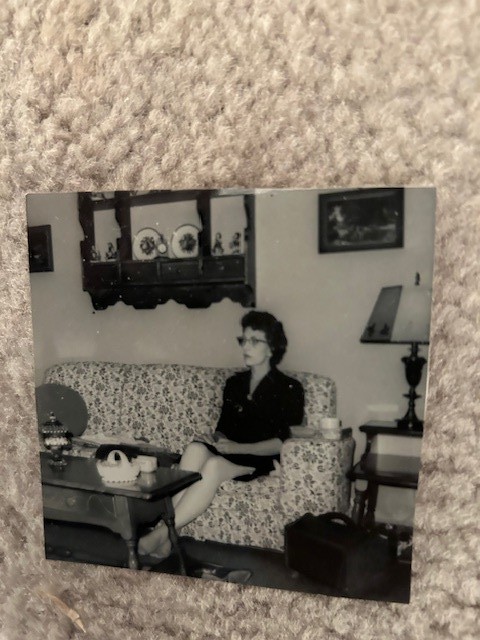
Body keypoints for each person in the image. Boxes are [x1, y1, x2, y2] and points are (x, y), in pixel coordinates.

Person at [138, 310, 305, 560]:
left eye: (254, 341)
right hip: (229, 451)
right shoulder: (234, 383)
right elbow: (223, 427)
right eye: (243, 340)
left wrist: (235, 448)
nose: (245, 347)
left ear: (272, 347)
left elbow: (282, 443)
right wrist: (214, 438)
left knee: (214, 465)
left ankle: (162, 533)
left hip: (257, 460)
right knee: (195, 449)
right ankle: (167, 537)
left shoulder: (290, 388)